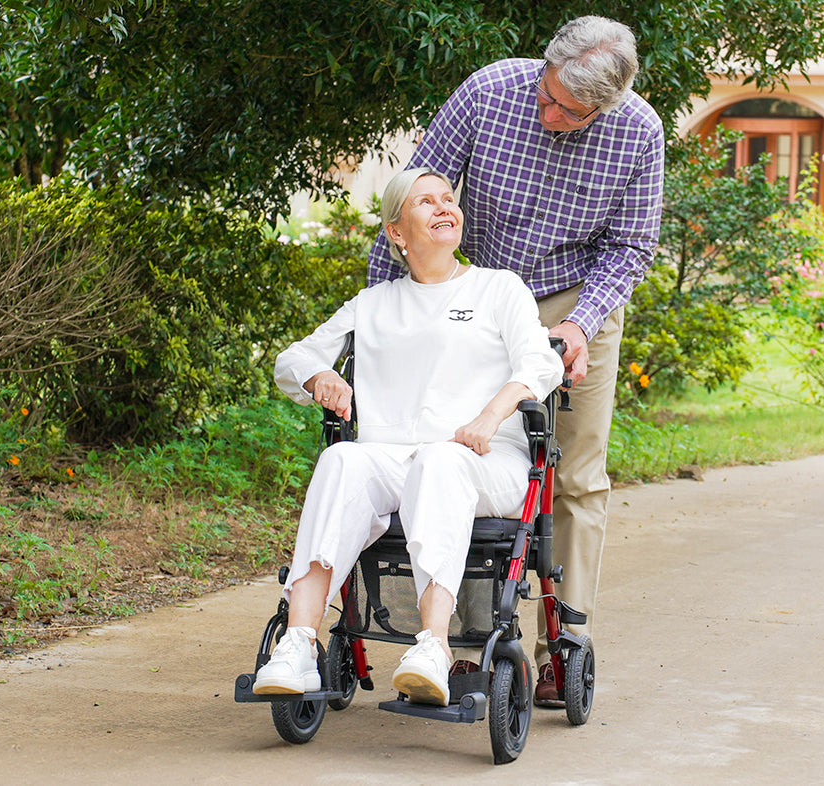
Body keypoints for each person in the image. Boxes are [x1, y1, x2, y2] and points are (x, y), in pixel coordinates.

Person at [366, 15, 663, 706]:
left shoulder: (639, 132)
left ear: (606, 106)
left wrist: (583, 325)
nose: (549, 111)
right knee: (463, 456)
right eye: (548, 93)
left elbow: (631, 246)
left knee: (575, 474)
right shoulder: (490, 92)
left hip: (577, 301)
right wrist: (388, 314)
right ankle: (467, 644)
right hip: (479, 298)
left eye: (569, 110)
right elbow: (411, 200)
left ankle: (565, 642)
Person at [252, 168, 563, 706]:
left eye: (449, 199)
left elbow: (541, 361)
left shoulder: (498, 288)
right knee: (341, 461)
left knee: (439, 462)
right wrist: (319, 376)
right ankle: (300, 643)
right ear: (397, 232)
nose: (445, 208)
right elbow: (293, 357)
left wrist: (492, 414)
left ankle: (434, 646)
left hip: (483, 460)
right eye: (426, 202)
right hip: (391, 458)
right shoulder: (373, 304)